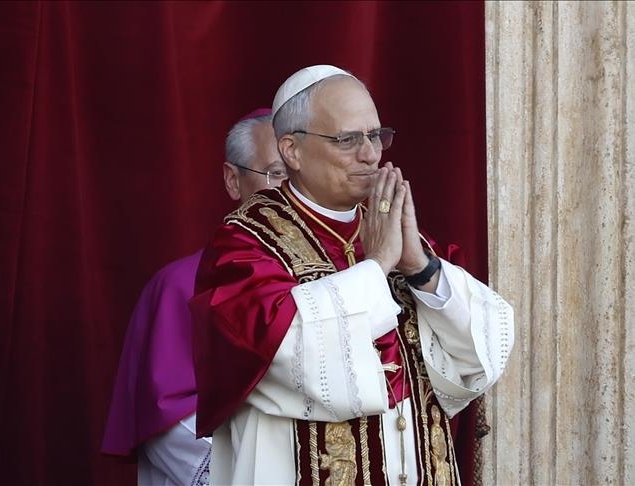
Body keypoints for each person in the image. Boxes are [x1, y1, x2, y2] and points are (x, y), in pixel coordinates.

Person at [190, 65, 515, 486]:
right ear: (292, 151)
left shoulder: (399, 236)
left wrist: (421, 269)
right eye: (348, 140)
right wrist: (376, 267)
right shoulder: (247, 242)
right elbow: (283, 353)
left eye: (376, 135)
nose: (371, 154)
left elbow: (481, 356)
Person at [101, 109, 285, 486]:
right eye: (277, 174)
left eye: (300, 178)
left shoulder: (340, 281)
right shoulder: (180, 286)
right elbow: (169, 424)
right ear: (234, 181)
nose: (289, 193)